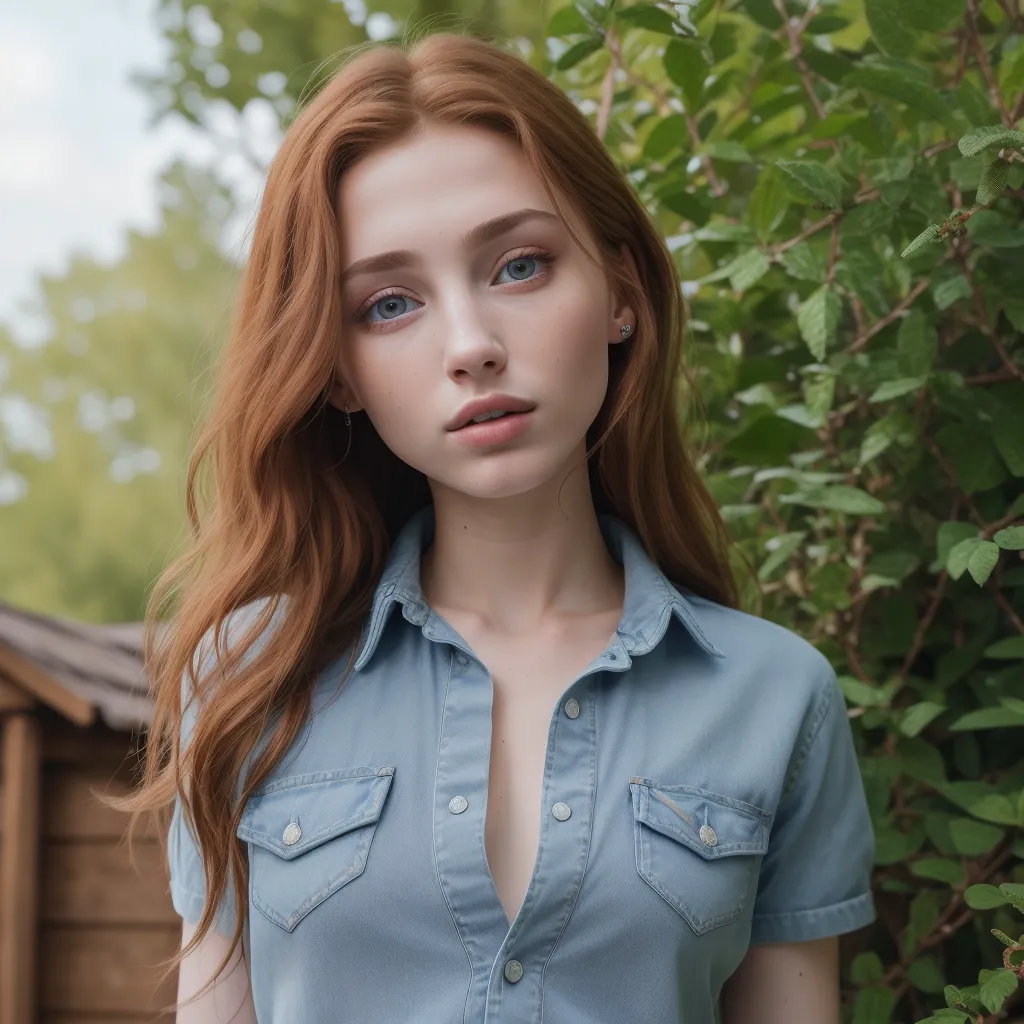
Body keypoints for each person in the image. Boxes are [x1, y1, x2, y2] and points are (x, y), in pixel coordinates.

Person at [114, 29, 876, 1024]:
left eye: (518, 265)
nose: (471, 345)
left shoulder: (777, 700)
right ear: (335, 369)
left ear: (619, 293)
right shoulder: (246, 676)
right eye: (390, 303)